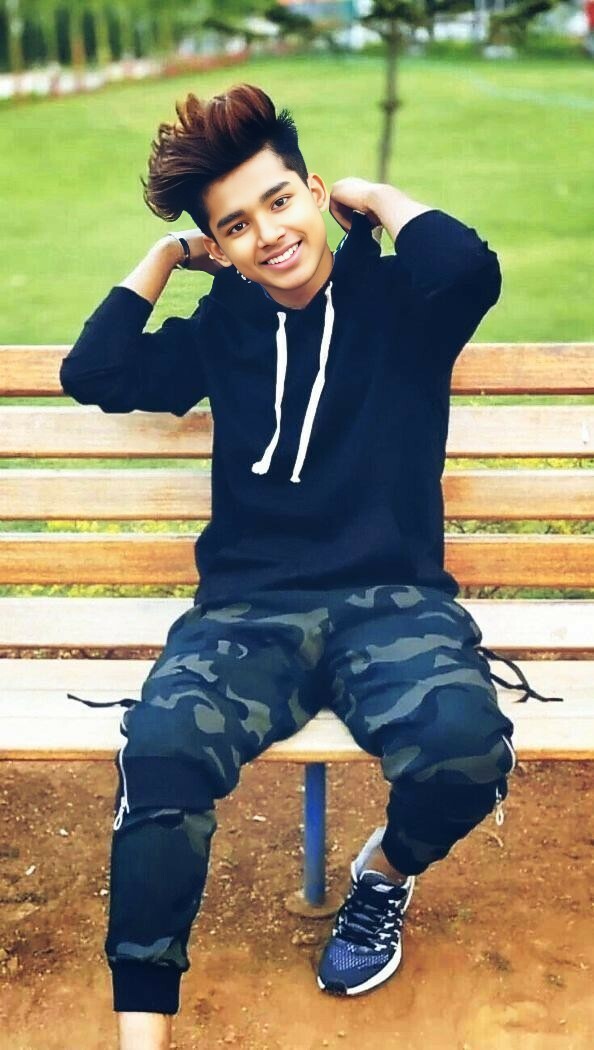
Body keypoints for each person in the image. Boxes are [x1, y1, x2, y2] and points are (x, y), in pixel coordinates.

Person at [60, 82, 554, 1050]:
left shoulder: (405, 305)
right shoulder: (224, 330)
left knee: (463, 751)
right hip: (248, 614)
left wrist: (372, 195)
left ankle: (383, 877)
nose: (269, 235)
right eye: (236, 226)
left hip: (395, 602)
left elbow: (468, 266)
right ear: (223, 246)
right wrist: (169, 255)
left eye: (280, 200)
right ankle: (140, 1035)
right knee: (162, 753)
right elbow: (97, 371)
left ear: (314, 192)